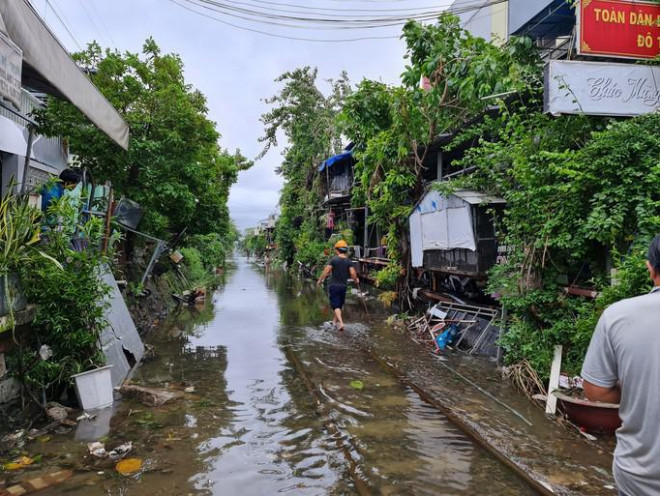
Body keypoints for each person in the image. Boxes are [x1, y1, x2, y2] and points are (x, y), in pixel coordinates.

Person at [582, 235, 660, 496]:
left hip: (639, 475)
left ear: (651, 268)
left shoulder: (617, 316)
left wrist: (642, 390)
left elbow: (595, 391)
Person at [317, 240, 359, 331]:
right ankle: (334, 322)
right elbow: (353, 273)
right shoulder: (348, 261)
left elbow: (326, 271)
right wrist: (356, 280)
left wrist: (320, 280)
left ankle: (341, 323)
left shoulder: (334, 260)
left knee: (335, 306)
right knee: (339, 305)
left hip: (334, 286)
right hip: (343, 287)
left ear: (337, 250)